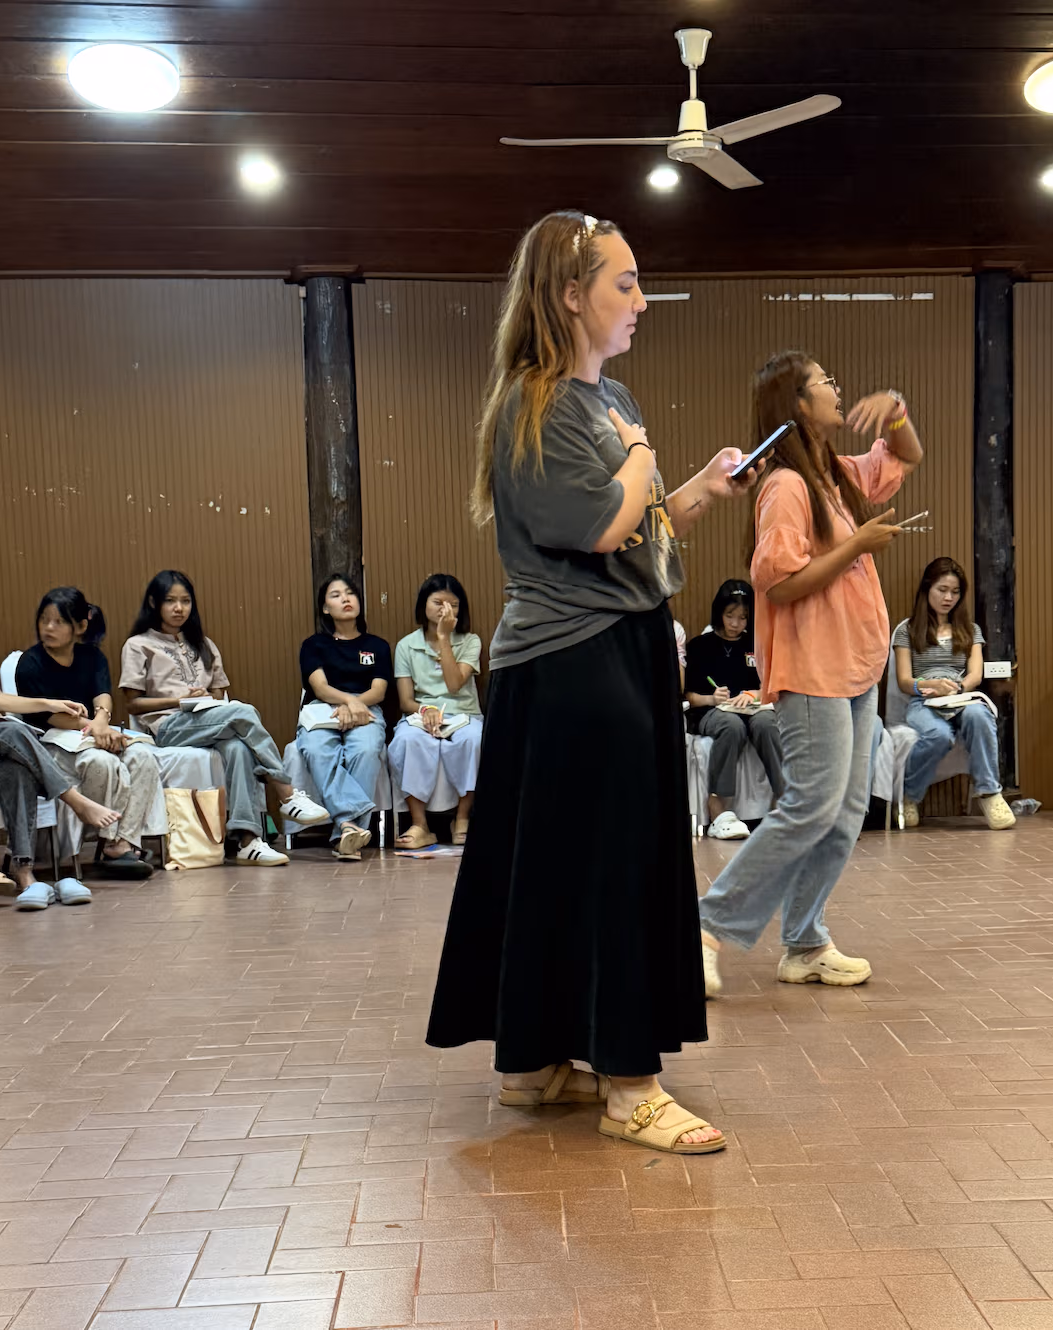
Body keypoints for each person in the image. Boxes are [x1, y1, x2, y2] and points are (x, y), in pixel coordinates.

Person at [426, 210, 764, 1156]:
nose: (641, 299)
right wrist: (648, 459)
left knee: (562, 863)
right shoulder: (535, 403)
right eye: (624, 283)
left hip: (608, 650)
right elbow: (604, 528)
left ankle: (537, 1063)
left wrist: (694, 486)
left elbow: (644, 531)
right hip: (575, 663)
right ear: (570, 295)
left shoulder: (597, 401)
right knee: (615, 862)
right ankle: (630, 1086)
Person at [700, 350, 923, 998]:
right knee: (809, 808)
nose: (836, 386)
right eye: (824, 381)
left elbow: (905, 455)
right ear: (797, 404)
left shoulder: (835, 476)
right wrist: (856, 545)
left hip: (855, 670)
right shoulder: (786, 486)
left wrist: (897, 410)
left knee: (846, 810)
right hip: (812, 672)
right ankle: (706, 927)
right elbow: (778, 581)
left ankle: (803, 942)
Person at [120, 570, 329, 865]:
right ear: (154, 603)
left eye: (185, 601)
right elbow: (133, 704)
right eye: (170, 601)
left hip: (208, 720)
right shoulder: (138, 645)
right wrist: (180, 700)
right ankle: (286, 792)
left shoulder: (204, 644)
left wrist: (203, 697)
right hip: (167, 726)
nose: (179, 608)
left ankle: (247, 840)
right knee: (244, 712)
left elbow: (219, 696)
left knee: (239, 748)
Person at [16, 587, 160, 878]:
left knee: (143, 755)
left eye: (58, 621)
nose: (48, 628)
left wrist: (101, 722)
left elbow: (103, 696)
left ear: (80, 626)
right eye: (44, 620)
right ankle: (109, 840)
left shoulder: (91, 657)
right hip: (52, 744)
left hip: (92, 732)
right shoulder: (30, 663)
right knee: (101, 762)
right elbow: (50, 717)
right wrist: (95, 730)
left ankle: (122, 844)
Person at [0, 643, 120, 909]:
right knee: (13, 734)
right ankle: (75, 801)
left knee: (17, 768)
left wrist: (48, 703)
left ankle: (24, 872)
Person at [893, 558, 1015, 831]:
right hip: (923, 701)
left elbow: (975, 674)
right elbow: (903, 680)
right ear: (927, 589)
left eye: (955, 592)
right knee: (938, 735)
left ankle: (989, 793)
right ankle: (909, 796)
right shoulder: (907, 630)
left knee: (979, 716)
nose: (949, 597)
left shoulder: (971, 630)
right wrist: (929, 684)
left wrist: (959, 688)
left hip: (961, 696)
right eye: (942, 589)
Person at [295, 574, 392, 860]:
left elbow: (379, 690)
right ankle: (350, 827)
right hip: (323, 711)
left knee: (366, 749)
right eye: (336, 595)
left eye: (350, 593)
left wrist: (356, 706)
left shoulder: (377, 645)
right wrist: (349, 702)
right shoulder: (314, 645)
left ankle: (345, 835)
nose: (346, 599)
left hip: (366, 710)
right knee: (315, 748)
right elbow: (320, 688)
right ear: (325, 608)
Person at [388, 574, 482, 850]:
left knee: (473, 740)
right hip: (421, 715)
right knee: (407, 741)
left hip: (463, 714)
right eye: (438, 602)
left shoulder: (470, 641)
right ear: (423, 605)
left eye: (453, 604)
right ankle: (420, 825)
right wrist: (425, 709)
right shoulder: (406, 645)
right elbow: (405, 700)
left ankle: (462, 819)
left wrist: (444, 638)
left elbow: (454, 685)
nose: (445, 610)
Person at [684, 578, 783, 838]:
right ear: (719, 613)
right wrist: (712, 699)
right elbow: (689, 696)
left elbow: (773, 686)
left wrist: (753, 694)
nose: (736, 624)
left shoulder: (757, 644)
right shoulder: (700, 646)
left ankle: (786, 802)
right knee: (731, 726)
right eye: (730, 616)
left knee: (767, 724)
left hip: (753, 708)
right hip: (713, 712)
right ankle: (719, 811)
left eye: (743, 618)